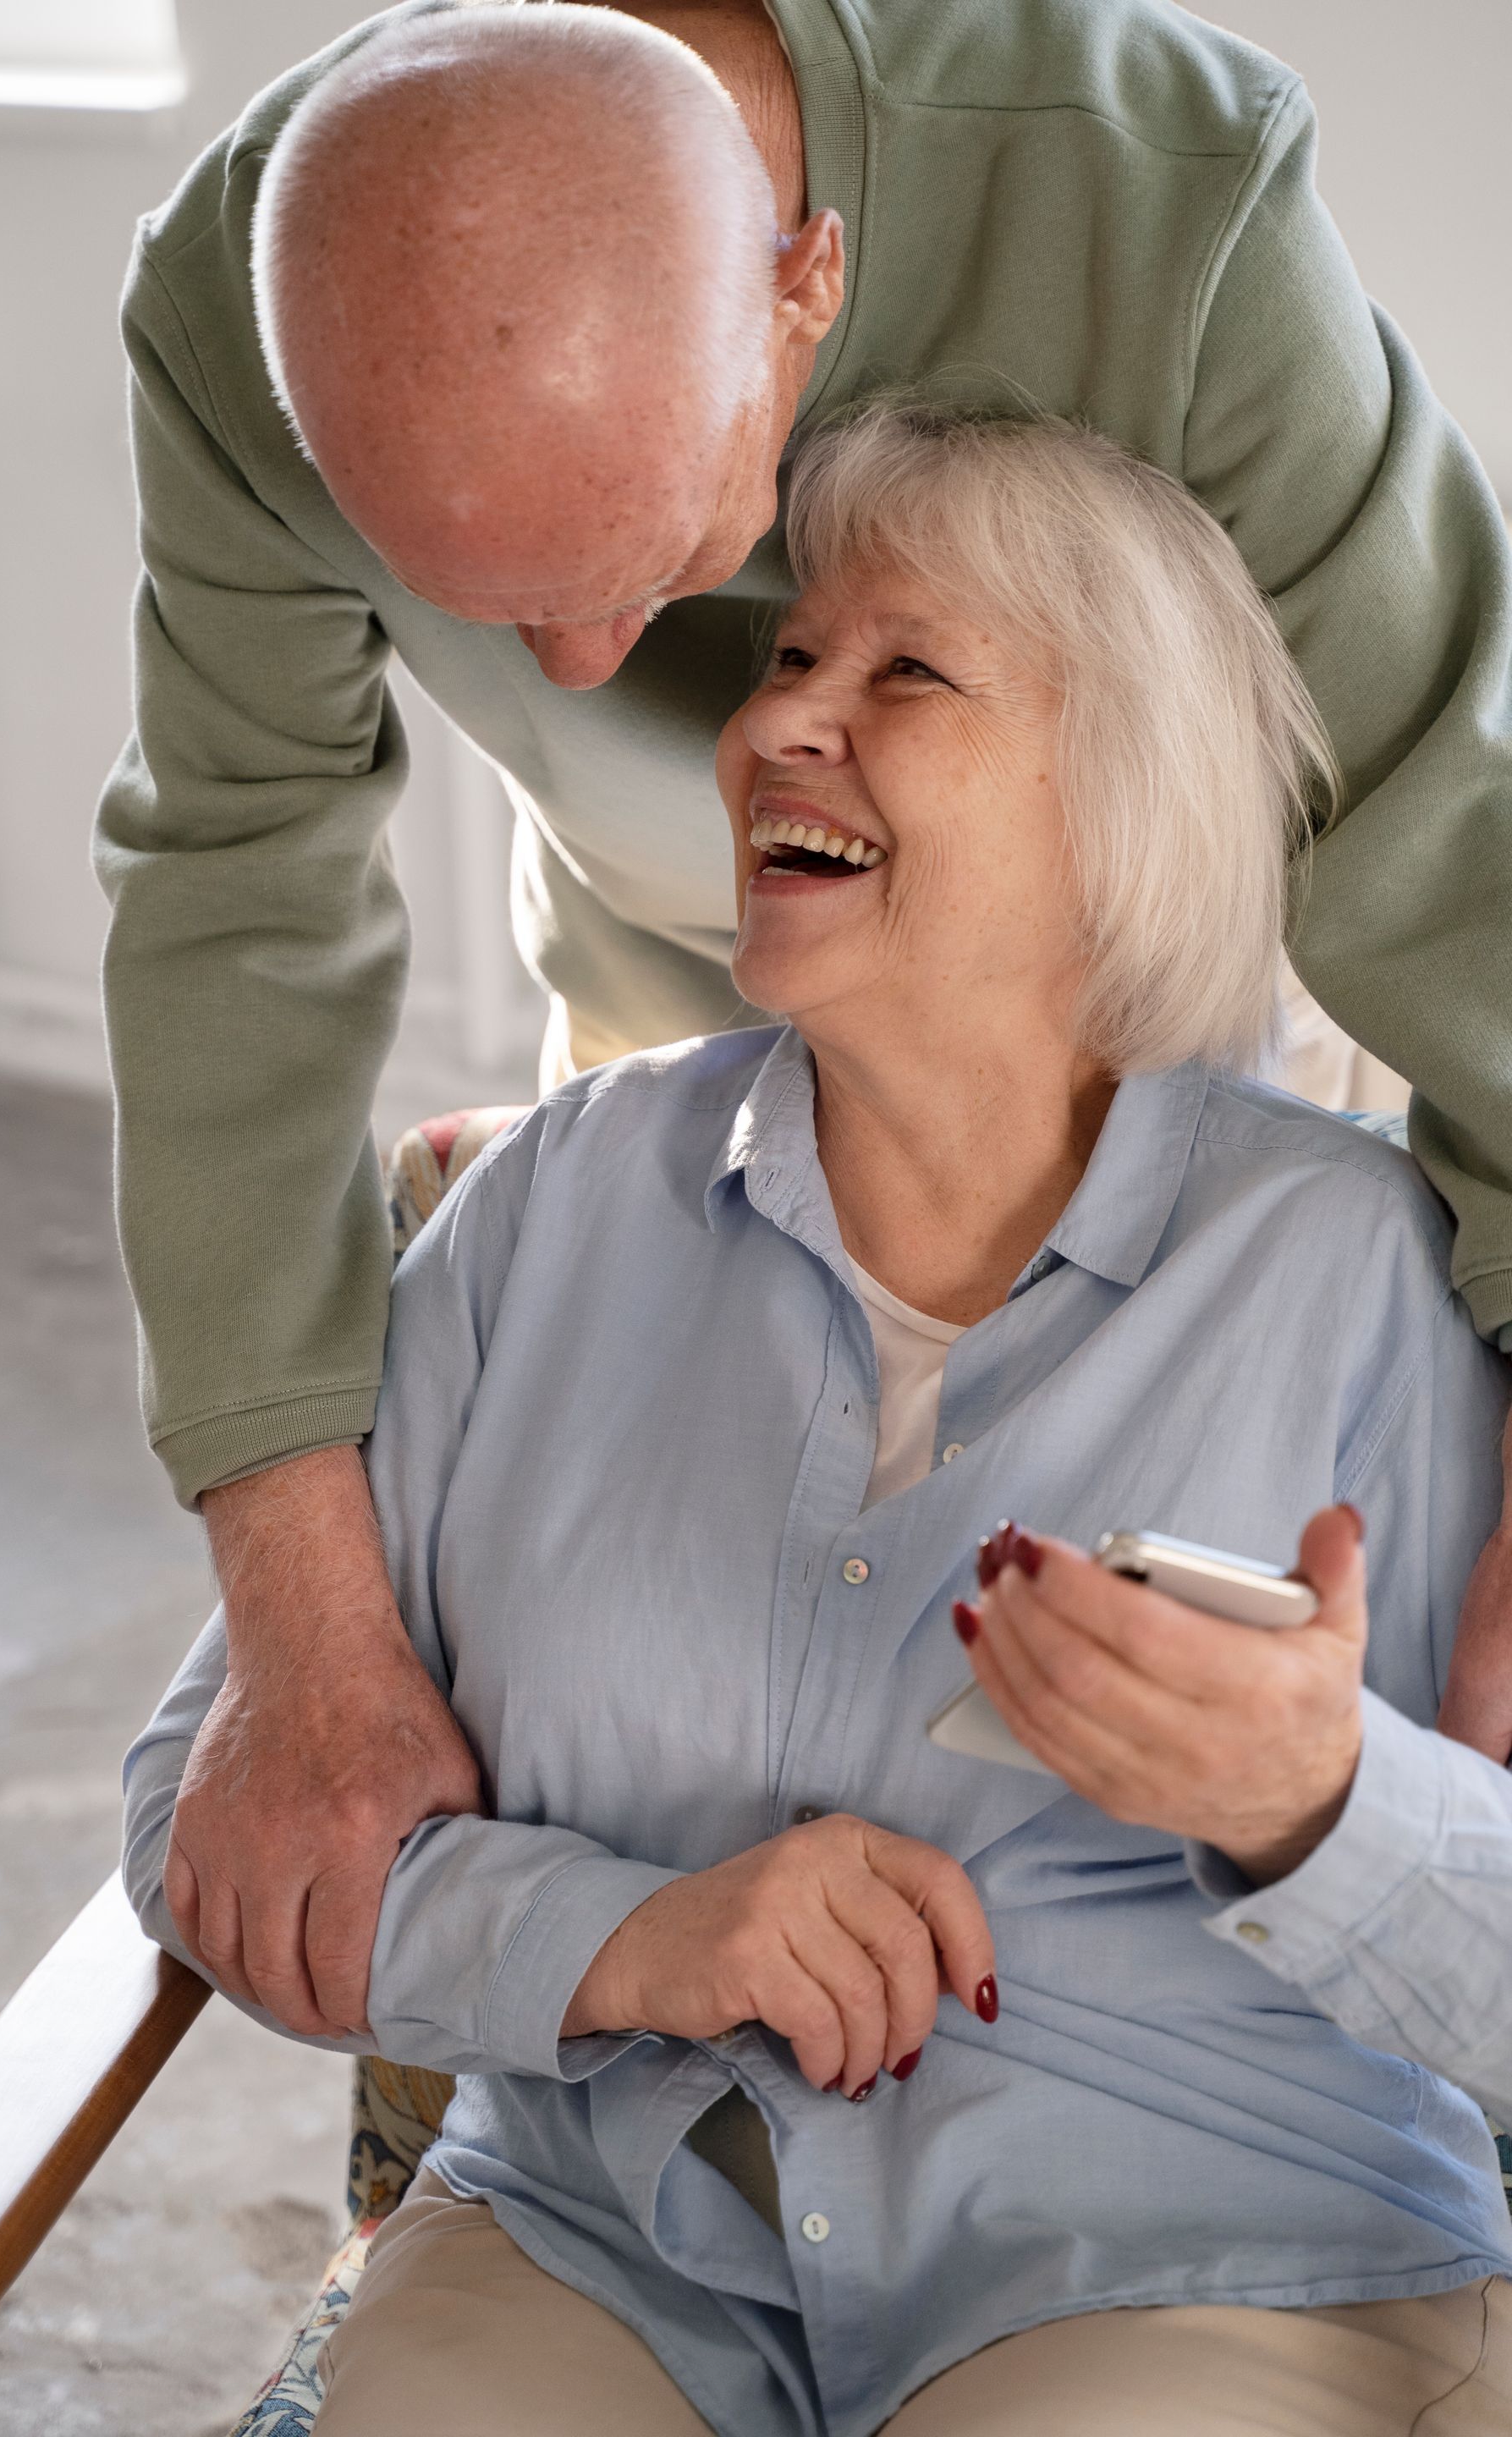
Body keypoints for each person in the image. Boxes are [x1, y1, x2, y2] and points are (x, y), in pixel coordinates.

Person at [100, 0, 1512, 2049]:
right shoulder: (247, 312)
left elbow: (1462, 863)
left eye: (666, 563)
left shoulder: (1164, 200)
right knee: (638, 1686)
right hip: (670, 1032)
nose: (606, 679)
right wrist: (319, 1657)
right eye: (474, 597)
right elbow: (235, 890)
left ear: (808, 285)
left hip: (1126, 1023)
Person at [125, 410, 1512, 2436]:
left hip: (1204, 2263)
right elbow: (208, 1816)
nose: (784, 723)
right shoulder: (548, 1214)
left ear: (1120, 798)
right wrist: (626, 1943)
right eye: (790, 656)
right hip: (596, 2242)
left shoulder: (1376, 1272)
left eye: (907, 672)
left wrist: (1325, 1801)